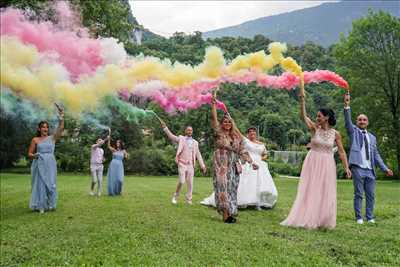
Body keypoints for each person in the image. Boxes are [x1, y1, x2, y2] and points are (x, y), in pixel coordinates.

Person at [280, 90, 351, 229]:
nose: (317, 118)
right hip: (312, 161)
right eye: (317, 116)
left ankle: (322, 219)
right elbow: (302, 116)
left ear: (327, 117)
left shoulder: (336, 134)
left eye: (319, 116)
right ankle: (307, 217)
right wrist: (302, 101)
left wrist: (346, 167)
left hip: (327, 163)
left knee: (325, 190)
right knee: (310, 188)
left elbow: (341, 152)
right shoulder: (314, 129)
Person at [343, 93, 393, 224]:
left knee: (371, 195)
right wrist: (347, 105)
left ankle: (370, 217)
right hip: (358, 167)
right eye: (359, 119)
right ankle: (359, 217)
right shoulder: (353, 132)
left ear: (367, 122)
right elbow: (347, 122)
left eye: (364, 120)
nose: (362, 121)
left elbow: (376, 155)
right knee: (359, 194)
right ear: (357, 122)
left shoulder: (372, 138)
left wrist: (385, 168)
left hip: (370, 169)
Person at [210, 92, 258, 223]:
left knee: (232, 187)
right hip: (221, 164)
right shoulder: (219, 133)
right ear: (222, 123)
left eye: (229, 122)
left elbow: (242, 150)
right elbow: (214, 119)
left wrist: (251, 162)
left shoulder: (236, 137)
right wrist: (213, 104)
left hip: (233, 165)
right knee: (222, 186)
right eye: (224, 122)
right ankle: (226, 215)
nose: (227, 123)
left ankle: (230, 211)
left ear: (232, 123)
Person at [201, 127, 278, 209]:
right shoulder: (245, 141)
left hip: (259, 164)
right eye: (250, 132)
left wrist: (261, 158)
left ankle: (259, 201)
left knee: (259, 183)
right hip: (248, 162)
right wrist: (230, 119)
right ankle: (239, 200)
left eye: (253, 132)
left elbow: (265, 154)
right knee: (245, 182)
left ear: (256, 134)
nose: (252, 133)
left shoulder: (261, 144)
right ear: (248, 134)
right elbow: (236, 131)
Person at [159, 120, 207, 204]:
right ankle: (175, 196)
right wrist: (165, 128)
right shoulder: (181, 139)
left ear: (192, 132)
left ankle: (189, 199)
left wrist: (202, 165)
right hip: (182, 163)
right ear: (185, 131)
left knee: (190, 184)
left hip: (191, 165)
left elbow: (198, 155)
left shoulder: (195, 143)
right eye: (188, 130)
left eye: (191, 130)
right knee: (181, 181)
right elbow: (172, 137)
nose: (189, 131)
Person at [28, 104, 64, 213]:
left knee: (51, 183)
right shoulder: (35, 140)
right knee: (41, 183)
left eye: (47, 127)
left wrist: (61, 115)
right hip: (39, 163)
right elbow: (29, 153)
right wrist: (35, 156)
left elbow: (61, 128)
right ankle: (41, 205)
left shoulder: (52, 138)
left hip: (50, 163)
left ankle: (51, 204)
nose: (45, 129)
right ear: (39, 129)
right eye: (43, 127)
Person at [106, 129, 128, 196]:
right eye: (117, 142)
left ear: (121, 144)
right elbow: (108, 146)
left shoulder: (123, 151)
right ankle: (112, 192)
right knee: (113, 179)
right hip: (113, 165)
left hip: (120, 166)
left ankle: (119, 191)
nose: (117, 143)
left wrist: (126, 155)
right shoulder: (114, 150)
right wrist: (109, 139)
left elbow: (126, 157)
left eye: (118, 143)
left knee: (120, 180)